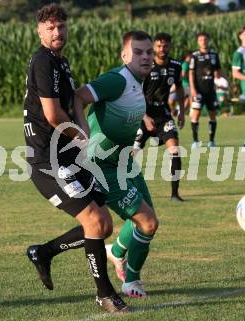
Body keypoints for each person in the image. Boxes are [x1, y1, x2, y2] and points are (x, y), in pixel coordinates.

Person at [23, 4, 128, 314]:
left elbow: (71, 107)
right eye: (51, 28)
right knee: (94, 221)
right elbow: (54, 115)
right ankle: (104, 294)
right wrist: (86, 141)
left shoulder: (60, 63)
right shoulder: (43, 62)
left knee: (104, 225)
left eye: (61, 26)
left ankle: (44, 252)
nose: (57, 32)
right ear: (40, 31)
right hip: (47, 161)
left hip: (68, 157)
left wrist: (84, 137)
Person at [73, 31, 158, 298]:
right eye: (138, 52)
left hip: (124, 161)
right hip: (102, 166)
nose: (145, 57)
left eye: (149, 52)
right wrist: (81, 130)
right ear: (124, 56)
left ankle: (117, 252)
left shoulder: (136, 81)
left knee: (146, 220)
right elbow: (79, 96)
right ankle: (131, 282)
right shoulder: (117, 79)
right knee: (147, 223)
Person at [134, 32, 185, 202]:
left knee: (175, 151)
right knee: (132, 154)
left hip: (163, 115)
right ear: (153, 47)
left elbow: (179, 88)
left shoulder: (176, 65)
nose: (162, 49)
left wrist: (182, 111)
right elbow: (136, 93)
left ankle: (175, 194)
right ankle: (126, 190)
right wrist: (145, 117)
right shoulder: (145, 65)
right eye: (158, 46)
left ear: (170, 46)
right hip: (144, 115)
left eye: (165, 46)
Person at [189, 32, 221, 148]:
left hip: (210, 92)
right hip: (198, 91)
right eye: (201, 39)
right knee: (195, 115)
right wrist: (193, 89)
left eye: (205, 39)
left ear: (208, 40)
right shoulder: (195, 55)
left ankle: (211, 141)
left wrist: (226, 82)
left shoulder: (214, 55)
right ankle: (195, 141)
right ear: (198, 41)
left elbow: (218, 71)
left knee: (212, 115)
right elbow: (191, 72)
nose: (203, 41)